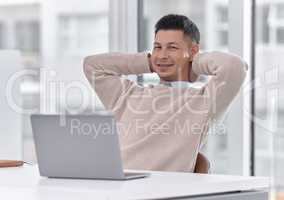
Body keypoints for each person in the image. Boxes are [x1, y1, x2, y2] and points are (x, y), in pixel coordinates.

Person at [83, 14, 247, 172]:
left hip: (162, 191)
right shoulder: (128, 95)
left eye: (172, 48)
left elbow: (234, 67)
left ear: (193, 50)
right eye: (157, 47)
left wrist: (194, 62)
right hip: (115, 189)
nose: (162, 55)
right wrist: (149, 63)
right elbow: (92, 65)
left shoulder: (203, 102)